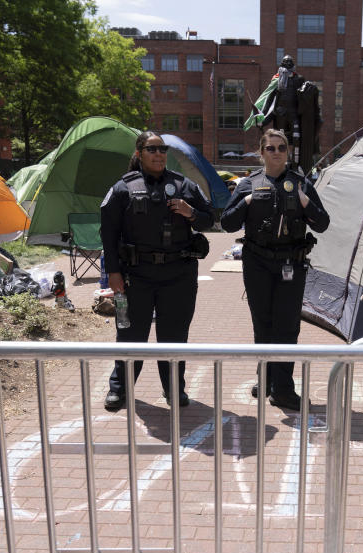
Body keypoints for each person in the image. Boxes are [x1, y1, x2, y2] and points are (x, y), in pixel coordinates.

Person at [101, 131, 213, 410]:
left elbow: (211, 219)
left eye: (162, 149)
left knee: (174, 336)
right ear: (139, 154)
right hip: (134, 275)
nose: (159, 154)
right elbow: (108, 233)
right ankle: (120, 389)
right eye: (152, 149)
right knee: (129, 334)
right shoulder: (123, 188)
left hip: (178, 275)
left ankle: (174, 389)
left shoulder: (184, 185)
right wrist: (113, 272)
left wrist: (191, 213)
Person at [220, 129, 330, 410]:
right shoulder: (248, 184)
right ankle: (267, 378)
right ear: (262, 152)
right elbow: (228, 224)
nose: (277, 152)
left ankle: (282, 389)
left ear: (288, 151)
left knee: (287, 326)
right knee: (263, 323)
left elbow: (322, 223)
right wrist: (246, 201)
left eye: (282, 147)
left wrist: (304, 200)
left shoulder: (300, 182)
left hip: (291, 263)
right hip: (257, 263)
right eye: (271, 148)